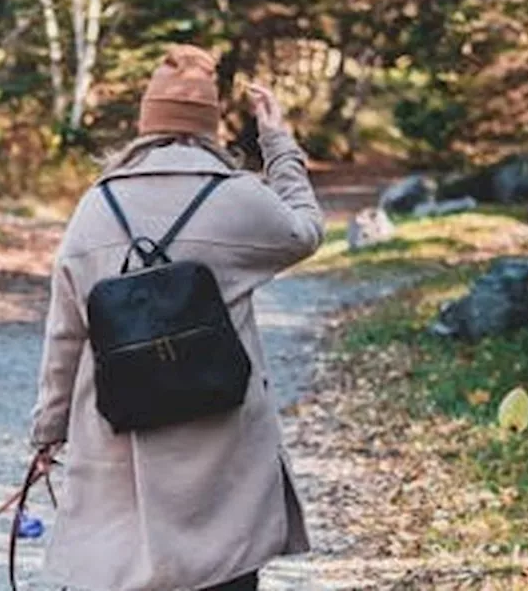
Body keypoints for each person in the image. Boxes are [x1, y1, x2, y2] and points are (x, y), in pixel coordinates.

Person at [28, 44, 326, 591]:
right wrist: (278, 144)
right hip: (222, 442)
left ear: (146, 122)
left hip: (121, 444)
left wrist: (49, 430)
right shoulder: (236, 198)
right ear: (209, 125)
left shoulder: (95, 205)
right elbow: (305, 230)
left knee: (123, 566)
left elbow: (66, 330)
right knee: (225, 569)